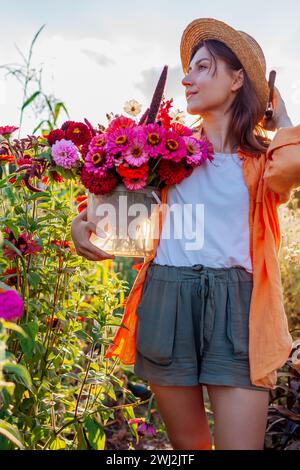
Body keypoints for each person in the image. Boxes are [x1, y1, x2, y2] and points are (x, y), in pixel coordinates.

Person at [71, 18, 298, 450]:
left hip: (239, 309)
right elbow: (106, 208)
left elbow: (293, 165)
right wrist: (78, 226)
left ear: (237, 80)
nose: (188, 79)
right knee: (189, 449)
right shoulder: (165, 153)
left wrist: (281, 114)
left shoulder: (261, 161)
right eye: (188, 69)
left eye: (203, 68)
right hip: (168, 298)